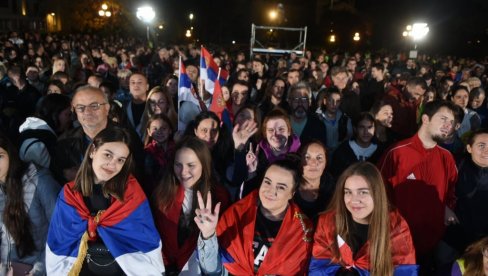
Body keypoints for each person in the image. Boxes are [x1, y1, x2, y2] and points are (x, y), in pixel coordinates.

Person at [46, 127, 165, 276]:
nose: (112, 164)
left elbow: (144, 240)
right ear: (93, 151)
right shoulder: (69, 195)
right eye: (108, 155)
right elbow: (60, 242)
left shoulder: (132, 194)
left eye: (120, 160)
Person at [378, 100, 458, 273]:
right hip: (397, 244)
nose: (448, 125)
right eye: (443, 119)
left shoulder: (447, 158)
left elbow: (452, 191)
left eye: (451, 122)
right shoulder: (397, 152)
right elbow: (378, 192)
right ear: (425, 119)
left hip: (433, 245)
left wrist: (447, 207)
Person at [196, 157, 314, 275]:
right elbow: (212, 271)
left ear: (292, 193)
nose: (271, 191)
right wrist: (208, 234)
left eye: (281, 187)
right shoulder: (236, 214)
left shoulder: (303, 231)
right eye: (267, 182)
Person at [309, 162, 417, 275]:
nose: (354, 200)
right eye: (348, 192)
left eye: (363, 192)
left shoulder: (396, 226)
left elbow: (405, 272)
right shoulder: (328, 222)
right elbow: (318, 268)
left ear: (377, 194)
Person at [152, 137, 229, 275]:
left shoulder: (219, 197)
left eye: (191, 165)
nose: (183, 172)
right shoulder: (163, 191)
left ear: (204, 165)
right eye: (178, 164)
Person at [0, 133, 60, 276]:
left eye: (0, 156)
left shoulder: (40, 181)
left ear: (10, 154)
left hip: (37, 268)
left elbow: (61, 233)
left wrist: (39, 270)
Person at [446, 129, 488, 253]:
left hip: (484, 240)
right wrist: (444, 208)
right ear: (469, 148)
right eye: (481, 146)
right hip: (455, 232)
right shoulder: (456, 165)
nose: (486, 151)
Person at [330, 112, 384, 178]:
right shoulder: (343, 151)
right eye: (362, 127)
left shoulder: (381, 151)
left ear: (374, 129)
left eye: (370, 127)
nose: (366, 132)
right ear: (355, 129)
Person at [294, 140, 336, 222]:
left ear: (326, 163)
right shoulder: (289, 185)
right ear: (300, 160)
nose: (313, 163)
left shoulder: (334, 190)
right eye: (307, 157)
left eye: (319, 158)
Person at [143, 114, 176, 194]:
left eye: (163, 128)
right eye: (155, 129)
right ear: (149, 132)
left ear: (170, 130)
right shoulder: (146, 153)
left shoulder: (177, 150)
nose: (159, 131)